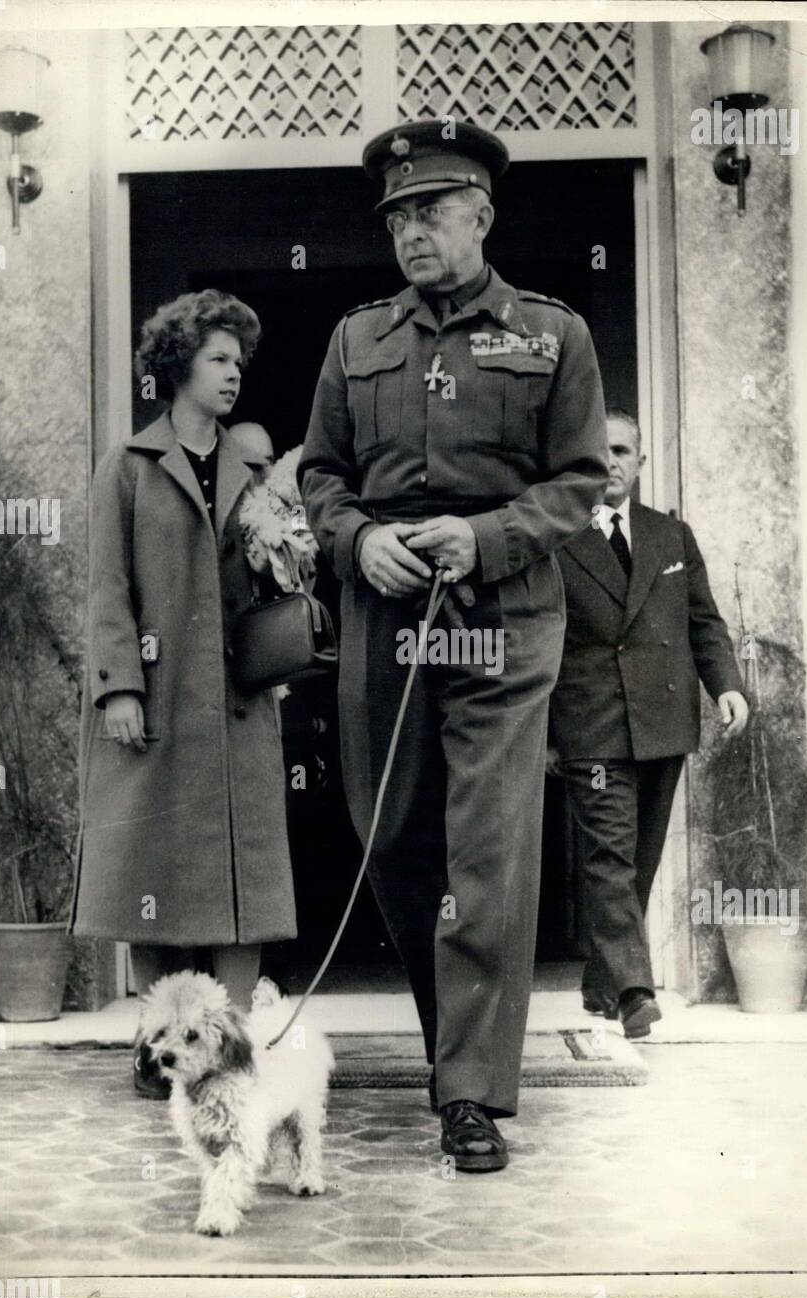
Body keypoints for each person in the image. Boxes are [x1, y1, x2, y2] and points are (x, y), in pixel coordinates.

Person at [298, 119, 609, 1171]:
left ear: (481, 215)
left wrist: (481, 536)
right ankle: (455, 1053)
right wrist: (361, 540)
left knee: (486, 848)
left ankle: (468, 1089)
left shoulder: (550, 335)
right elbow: (321, 478)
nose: (411, 232)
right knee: (393, 839)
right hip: (387, 619)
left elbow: (578, 482)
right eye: (396, 216)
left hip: (502, 618)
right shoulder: (355, 340)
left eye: (431, 211)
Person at [69, 290, 297, 1097]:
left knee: (246, 879)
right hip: (157, 704)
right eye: (218, 360)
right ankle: (156, 1043)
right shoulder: (127, 468)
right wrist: (118, 689)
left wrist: (284, 559)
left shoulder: (254, 471)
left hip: (239, 704)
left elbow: (278, 585)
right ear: (178, 367)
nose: (234, 375)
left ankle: (229, 1049)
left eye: (239, 362)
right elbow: (107, 590)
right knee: (152, 871)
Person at [549, 410, 749, 1036]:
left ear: (640, 460)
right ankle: (637, 991)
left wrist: (728, 688)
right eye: (599, 450)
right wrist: (548, 731)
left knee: (640, 857)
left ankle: (601, 981)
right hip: (592, 724)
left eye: (623, 450)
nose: (611, 461)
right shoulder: (554, 538)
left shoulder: (671, 536)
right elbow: (540, 640)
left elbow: (704, 623)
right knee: (609, 857)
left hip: (663, 721)